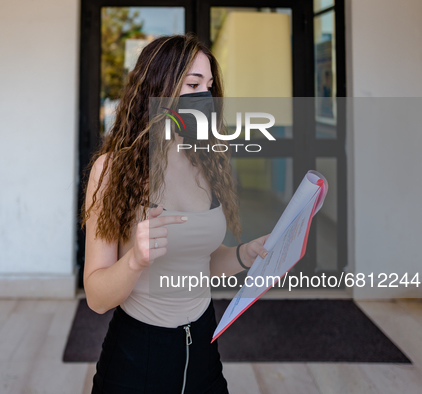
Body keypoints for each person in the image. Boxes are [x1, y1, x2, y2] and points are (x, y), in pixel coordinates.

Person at [81, 33, 270, 394]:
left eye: (209, 86)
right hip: (137, 358)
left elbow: (201, 262)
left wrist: (245, 254)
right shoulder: (111, 170)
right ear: (158, 88)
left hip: (203, 346)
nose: (205, 97)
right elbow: (97, 297)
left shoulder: (208, 160)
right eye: (193, 84)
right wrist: (135, 259)